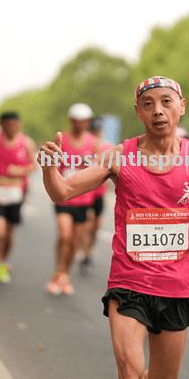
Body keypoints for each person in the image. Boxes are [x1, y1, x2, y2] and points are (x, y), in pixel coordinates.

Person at [40, 76, 189, 379]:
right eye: (148, 104)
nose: (158, 111)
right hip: (129, 282)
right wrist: (48, 168)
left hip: (174, 287)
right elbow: (63, 191)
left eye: (166, 102)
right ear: (138, 112)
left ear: (181, 107)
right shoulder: (119, 156)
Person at [0, 112, 37, 285]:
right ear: (1, 125)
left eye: (14, 124)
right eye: (7, 124)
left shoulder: (27, 143)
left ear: (20, 125)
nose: (11, 127)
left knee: (9, 232)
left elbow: (34, 164)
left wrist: (21, 170)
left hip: (15, 191)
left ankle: (2, 261)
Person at [46, 103, 98, 295]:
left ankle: (65, 274)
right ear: (71, 121)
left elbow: (101, 172)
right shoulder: (62, 141)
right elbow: (53, 170)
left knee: (75, 241)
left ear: (88, 122)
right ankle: (57, 271)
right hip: (64, 199)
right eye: (76, 121)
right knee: (64, 235)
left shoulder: (94, 143)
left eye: (84, 121)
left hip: (84, 200)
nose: (80, 124)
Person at [79, 117, 112, 275]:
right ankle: (86, 254)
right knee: (88, 224)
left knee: (97, 226)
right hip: (86, 192)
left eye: (99, 130)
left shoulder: (108, 147)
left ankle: (89, 250)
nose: (97, 133)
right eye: (94, 130)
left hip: (100, 194)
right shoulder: (85, 145)